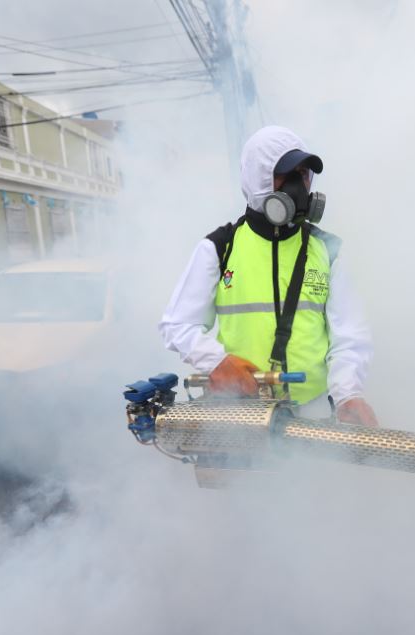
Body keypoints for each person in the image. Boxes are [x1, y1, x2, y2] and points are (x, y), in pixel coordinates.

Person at [159, 126, 377, 426]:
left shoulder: (328, 251)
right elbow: (177, 325)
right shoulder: (220, 247)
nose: (297, 185)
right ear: (256, 179)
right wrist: (217, 362)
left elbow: (349, 339)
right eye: (284, 175)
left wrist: (348, 394)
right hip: (238, 417)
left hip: (312, 415)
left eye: (302, 175)